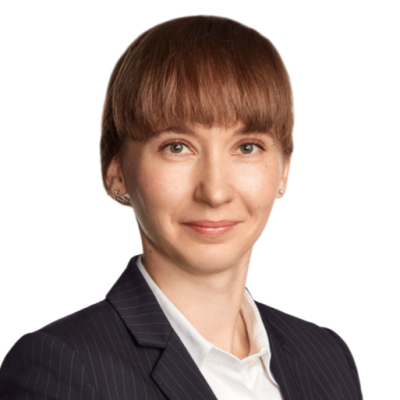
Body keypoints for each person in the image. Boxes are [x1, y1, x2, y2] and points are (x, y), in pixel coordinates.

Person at [0, 15, 363, 400]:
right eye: (177, 147)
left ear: (284, 170)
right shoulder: (61, 367)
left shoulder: (325, 356)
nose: (215, 192)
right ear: (116, 169)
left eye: (247, 147)